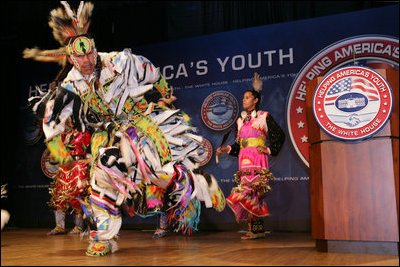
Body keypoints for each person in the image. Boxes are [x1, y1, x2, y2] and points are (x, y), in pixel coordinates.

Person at [24, 1, 225, 256]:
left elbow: (151, 72)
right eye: (80, 56)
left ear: (95, 50)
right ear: (71, 58)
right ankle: (105, 237)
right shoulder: (70, 84)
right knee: (102, 182)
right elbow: (53, 117)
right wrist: (56, 146)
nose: (86, 60)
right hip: (104, 135)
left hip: (137, 123)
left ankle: (197, 183)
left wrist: (164, 93)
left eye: (90, 54)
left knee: (155, 172)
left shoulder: (119, 61)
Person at [216, 72, 285, 240]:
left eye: (247, 97)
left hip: (257, 157)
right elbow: (240, 144)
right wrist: (228, 149)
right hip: (244, 158)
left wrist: (268, 150)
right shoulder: (241, 121)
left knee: (252, 191)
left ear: (255, 100)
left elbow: (279, 135)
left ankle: (255, 230)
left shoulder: (263, 116)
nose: (244, 100)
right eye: (243, 98)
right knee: (254, 196)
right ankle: (256, 230)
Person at [46, 119, 92, 235]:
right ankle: (59, 226)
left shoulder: (85, 134)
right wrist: (54, 153)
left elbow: (91, 150)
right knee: (59, 197)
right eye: (69, 118)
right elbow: (54, 155)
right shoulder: (63, 135)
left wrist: (88, 160)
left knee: (76, 196)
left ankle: (79, 226)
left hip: (78, 167)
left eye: (73, 118)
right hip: (64, 168)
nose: (70, 121)